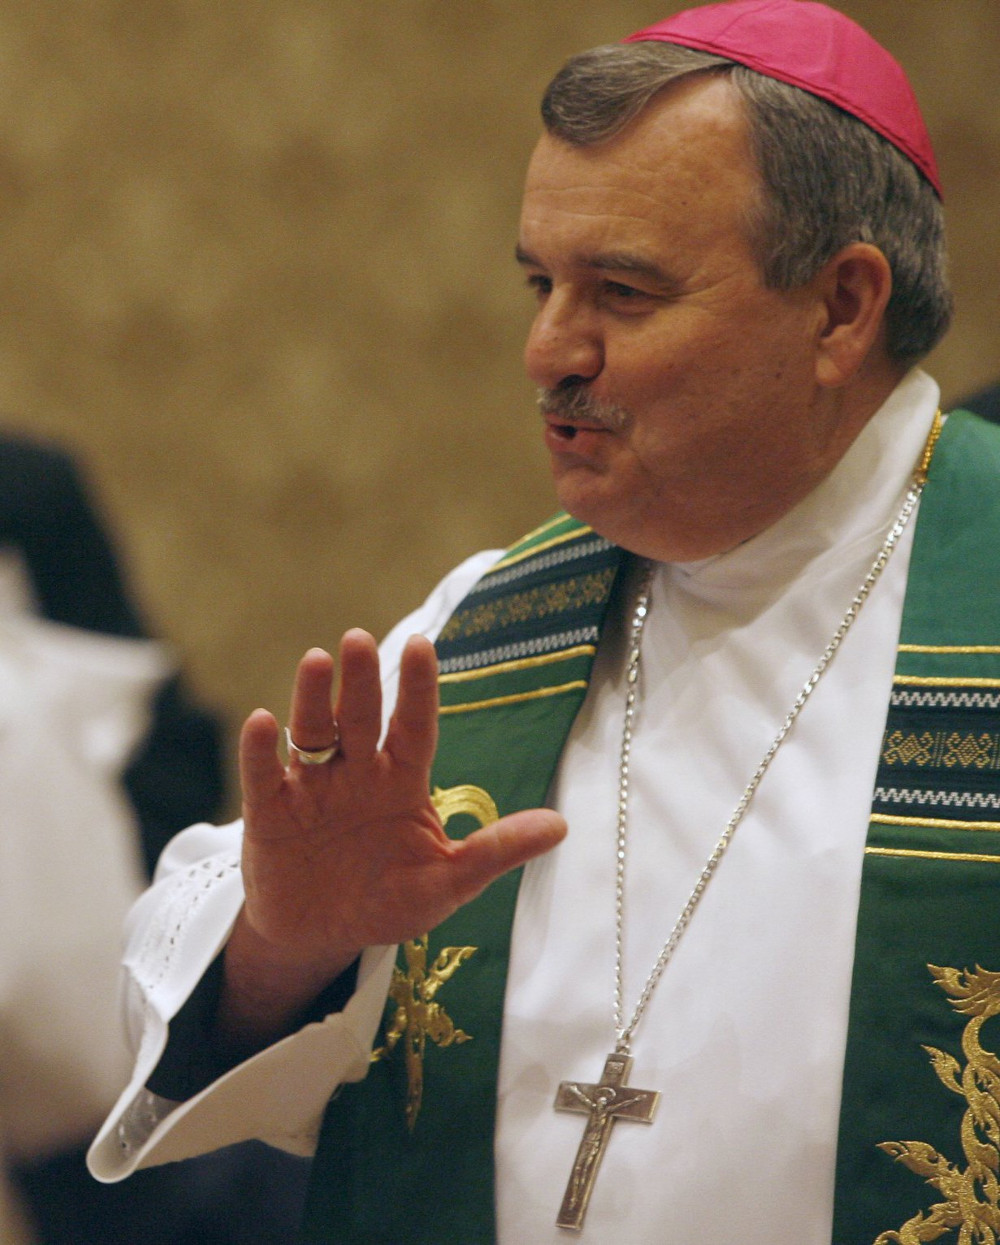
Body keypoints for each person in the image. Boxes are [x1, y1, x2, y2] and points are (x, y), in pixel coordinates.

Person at [88, 2, 1000, 1240]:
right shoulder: (485, 624)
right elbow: (198, 1021)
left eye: (621, 292)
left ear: (839, 308)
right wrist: (284, 941)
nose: (545, 349)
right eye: (540, 281)